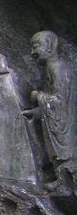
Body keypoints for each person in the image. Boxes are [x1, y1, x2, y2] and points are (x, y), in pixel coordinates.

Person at [24, 31, 76, 168]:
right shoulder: (49, 68)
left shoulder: (57, 68)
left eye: (35, 47)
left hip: (65, 127)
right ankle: (60, 176)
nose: (32, 52)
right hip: (57, 120)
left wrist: (38, 96)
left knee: (65, 158)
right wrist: (35, 111)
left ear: (49, 46)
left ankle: (65, 176)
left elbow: (59, 101)